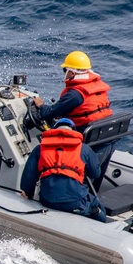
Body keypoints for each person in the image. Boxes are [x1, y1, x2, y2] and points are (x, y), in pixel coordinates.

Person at [32, 50, 115, 181]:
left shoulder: (74, 94)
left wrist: (41, 105)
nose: (64, 74)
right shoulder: (94, 86)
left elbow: (49, 113)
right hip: (106, 132)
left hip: (87, 133)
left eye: (65, 70)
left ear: (72, 72)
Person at [20, 118, 107, 222]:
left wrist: (29, 195)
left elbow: (28, 179)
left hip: (47, 199)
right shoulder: (84, 149)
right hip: (75, 200)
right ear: (73, 131)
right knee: (99, 208)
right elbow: (96, 173)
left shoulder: (39, 148)